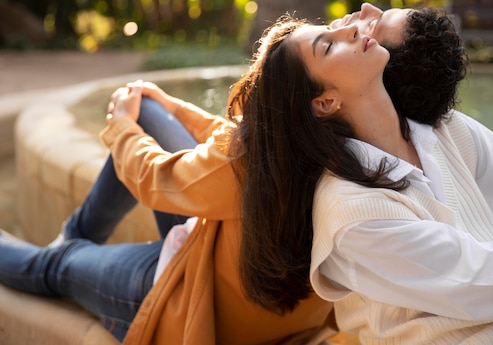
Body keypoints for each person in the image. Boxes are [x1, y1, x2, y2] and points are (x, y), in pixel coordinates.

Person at [226, 11, 493, 345]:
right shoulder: (351, 211)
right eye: (329, 45)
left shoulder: (440, 130)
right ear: (325, 102)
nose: (348, 28)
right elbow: (489, 277)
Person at [0, 83, 334, 344]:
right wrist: (170, 108)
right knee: (146, 110)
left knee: (59, 262)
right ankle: (75, 234)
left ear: (323, 101)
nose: (357, 19)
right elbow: (231, 148)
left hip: (187, 296)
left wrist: (120, 127)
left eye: (329, 45)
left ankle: (68, 244)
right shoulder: (342, 144)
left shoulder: (263, 164)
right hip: (211, 254)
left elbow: (159, 178)